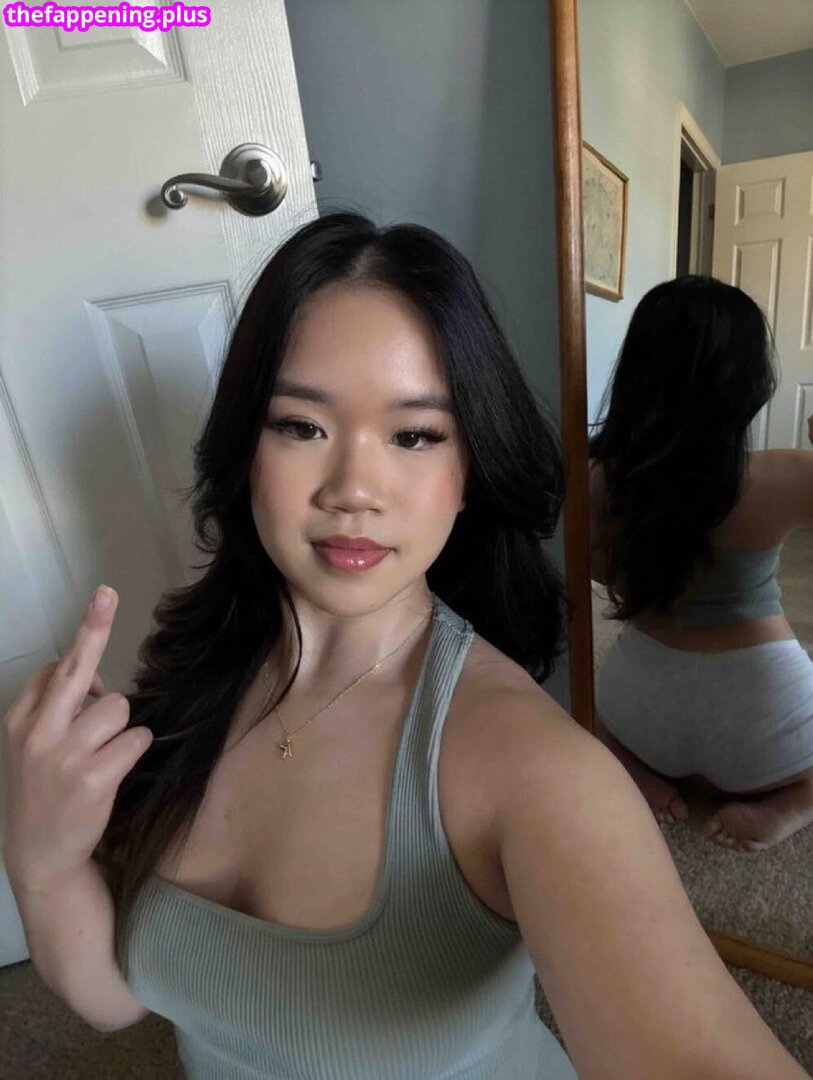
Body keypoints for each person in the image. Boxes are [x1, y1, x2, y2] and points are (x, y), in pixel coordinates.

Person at [3, 218, 807, 1079]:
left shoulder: (539, 773)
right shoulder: (192, 675)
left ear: (469, 469)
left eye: (415, 435)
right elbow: (118, 1000)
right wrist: (41, 861)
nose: (353, 489)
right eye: (300, 425)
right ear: (246, 447)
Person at [589, 275, 813, 853]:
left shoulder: (594, 482)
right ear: (748, 381)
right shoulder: (783, 476)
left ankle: (628, 766)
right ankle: (792, 805)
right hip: (767, 728)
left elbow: (592, 570)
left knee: (597, 719)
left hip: (640, 717)